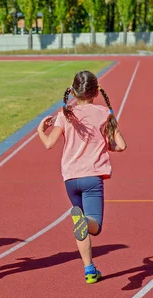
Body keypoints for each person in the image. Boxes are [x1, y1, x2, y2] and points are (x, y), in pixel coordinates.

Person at [36, 70, 127, 284]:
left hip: (70, 179)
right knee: (93, 224)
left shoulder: (65, 114)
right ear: (96, 92)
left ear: (73, 90)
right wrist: (107, 142)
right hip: (92, 178)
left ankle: (89, 269)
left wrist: (40, 129)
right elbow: (121, 145)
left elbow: (49, 144)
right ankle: (84, 221)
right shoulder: (103, 113)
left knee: (81, 228)